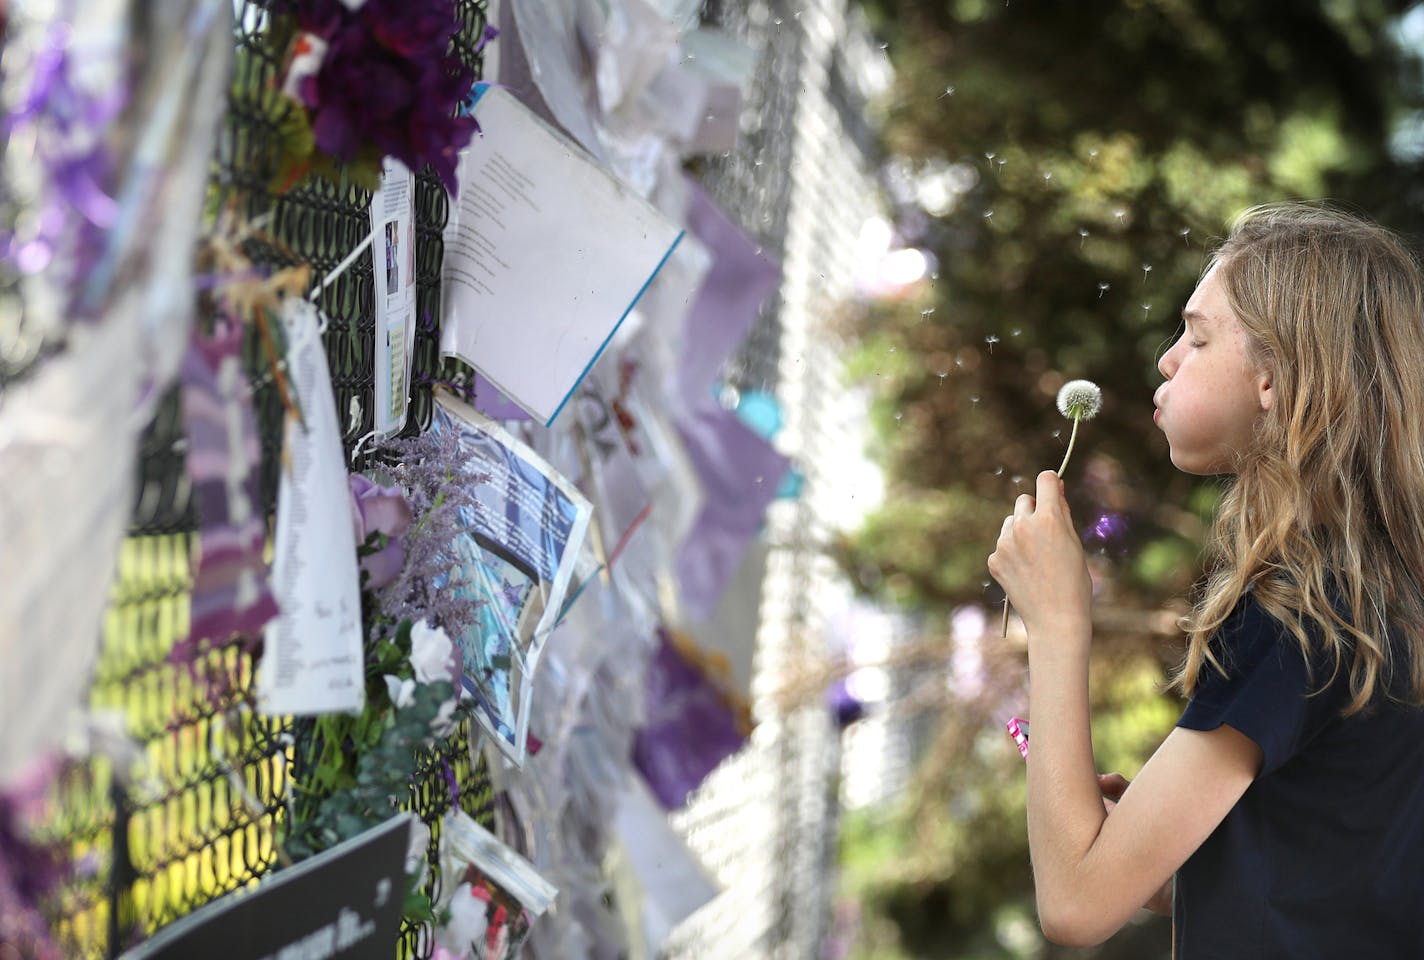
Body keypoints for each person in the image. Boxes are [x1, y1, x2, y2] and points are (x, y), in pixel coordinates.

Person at [987, 202, 1424, 958]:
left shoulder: (1301, 611)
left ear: (1274, 377)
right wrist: (1177, 855)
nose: (1167, 358)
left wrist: (1057, 625)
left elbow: (1073, 907)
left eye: (1197, 334)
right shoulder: (1380, 600)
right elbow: (1341, 880)